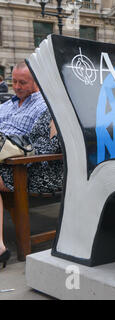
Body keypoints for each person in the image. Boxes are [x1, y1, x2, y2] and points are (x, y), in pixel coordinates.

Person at [0, 109, 63, 268]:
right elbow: (31, 139)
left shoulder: (64, 113)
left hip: (45, 171)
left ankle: (0, 248)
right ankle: (0, 248)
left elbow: (53, 148)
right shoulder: (49, 110)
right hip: (29, 164)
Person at [0, 61, 47, 136]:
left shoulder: (43, 107)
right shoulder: (7, 104)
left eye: (22, 82)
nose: (17, 87)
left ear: (36, 81)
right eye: (14, 82)